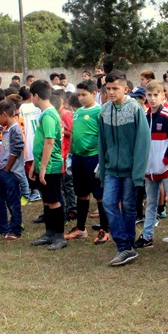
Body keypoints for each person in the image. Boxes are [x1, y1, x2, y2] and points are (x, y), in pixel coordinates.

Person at [99, 71, 152, 267]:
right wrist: (103, 169)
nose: (111, 92)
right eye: (108, 88)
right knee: (109, 203)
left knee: (129, 207)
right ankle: (124, 245)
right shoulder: (104, 111)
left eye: (115, 88)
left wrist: (138, 172)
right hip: (112, 169)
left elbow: (143, 142)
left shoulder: (135, 109)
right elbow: (102, 143)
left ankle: (127, 245)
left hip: (130, 170)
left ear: (126, 89)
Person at [139, 80, 168, 251]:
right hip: (150, 170)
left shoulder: (166, 115)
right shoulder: (144, 116)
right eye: (149, 95)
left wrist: (165, 161)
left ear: (163, 96)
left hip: (167, 168)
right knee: (150, 203)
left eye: (156, 95)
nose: (152, 98)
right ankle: (147, 236)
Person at [67, 80, 110, 242]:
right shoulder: (77, 112)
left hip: (93, 157)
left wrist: (102, 159)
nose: (81, 98)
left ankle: (105, 229)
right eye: (79, 95)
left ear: (94, 94)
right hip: (78, 158)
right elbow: (73, 134)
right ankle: (80, 227)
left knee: (99, 194)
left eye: (84, 95)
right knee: (81, 194)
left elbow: (104, 137)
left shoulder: (100, 111)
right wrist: (70, 156)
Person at [28, 80, 67, 251]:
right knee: (47, 200)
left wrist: (43, 167)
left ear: (36, 96)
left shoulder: (50, 115)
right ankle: (49, 232)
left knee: (54, 200)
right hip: (42, 164)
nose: (31, 99)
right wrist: (35, 165)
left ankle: (59, 235)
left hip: (51, 166)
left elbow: (50, 142)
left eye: (31, 96)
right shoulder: (45, 114)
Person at [0, 100, 25, 239]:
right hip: (3, 170)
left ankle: (16, 229)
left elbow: (17, 149)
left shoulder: (15, 129)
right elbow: (9, 147)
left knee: (13, 201)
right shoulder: (7, 129)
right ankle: (3, 227)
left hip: (11, 172)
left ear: (5, 114)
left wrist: (7, 168)